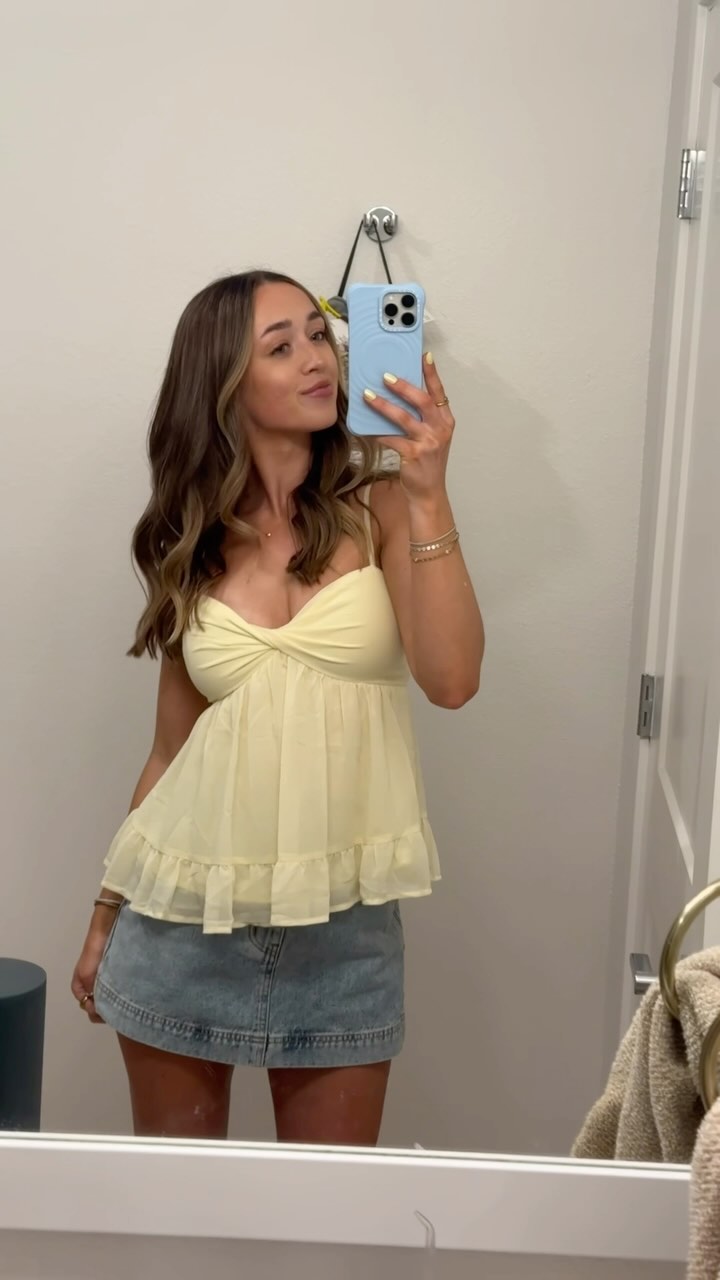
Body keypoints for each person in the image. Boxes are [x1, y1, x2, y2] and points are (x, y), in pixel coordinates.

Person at [70, 270, 484, 1146]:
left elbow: (452, 681)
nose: (316, 359)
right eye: (281, 345)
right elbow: (169, 754)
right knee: (181, 1212)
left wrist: (428, 490)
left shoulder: (381, 509)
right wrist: (106, 914)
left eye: (318, 335)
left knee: (329, 1219)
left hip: (343, 937)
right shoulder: (191, 543)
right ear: (224, 381)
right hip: (182, 924)